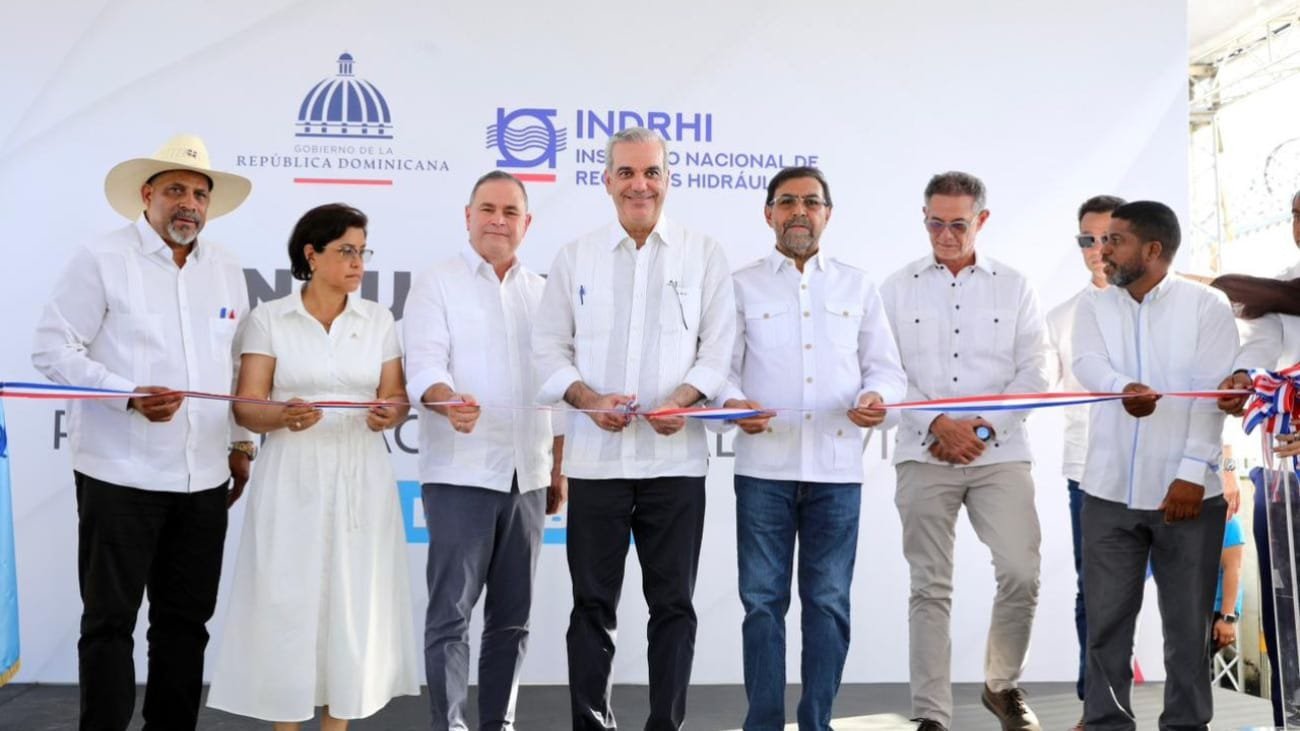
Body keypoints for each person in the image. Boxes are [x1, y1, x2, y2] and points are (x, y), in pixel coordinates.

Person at [31, 133, 253, 731]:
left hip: (203, 478)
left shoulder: (227, 267)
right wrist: (126, 393)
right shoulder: (100, 258)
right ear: (146, 195)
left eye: (200, 194)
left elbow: (236, 365)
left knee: (186, 624)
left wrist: (240, 442)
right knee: (109, 624)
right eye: (176, 190)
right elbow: (52, 349)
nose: (189, 204)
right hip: (118, 474)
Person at [532, 126, 736, 730]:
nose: (639, 184)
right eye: (626, 172)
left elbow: (718, 350)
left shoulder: (704, 254)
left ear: (668, 179)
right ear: (606, 181)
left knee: (673, 607)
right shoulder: (575, 256)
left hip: (676, 466)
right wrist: (587, 399)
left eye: (651, 172)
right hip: (595, 464)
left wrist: (684, 398)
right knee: (591, 607)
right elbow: (548, 348)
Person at [205, 203, 419, 729]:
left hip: (361, 477)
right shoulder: (269, 318)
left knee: (352, 604)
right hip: (292, 475)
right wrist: (281, 416)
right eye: (346, 250)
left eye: (362, 251)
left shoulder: (378, 320)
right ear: (311, 254)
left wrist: (389, 413)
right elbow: (247, 406)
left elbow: (396, 397)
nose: (357, 262)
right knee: (288, 605)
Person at [719, 166, 906, 730]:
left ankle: (817, 722)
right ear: (768, 212)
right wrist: (732, 403)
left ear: (828, 213)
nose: (799, 211)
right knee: (762, 604)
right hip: (763, 470)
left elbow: (887, 372)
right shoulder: (741, 285)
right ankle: (763, 723)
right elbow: (722, 371)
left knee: (827, 603)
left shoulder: (857, 286)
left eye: (811, 202)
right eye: (787, 201)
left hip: (836, 472)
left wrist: (876, 397)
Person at [878, 171, 1049, 731]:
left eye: (958, 224)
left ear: (982, 220)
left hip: (1000, 454)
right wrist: (937, 423)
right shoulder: (896, 288)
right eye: (935, 224)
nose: (945, 236)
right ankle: (931, 715)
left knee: (1021, 572)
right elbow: (884, 371)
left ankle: (1002, 686)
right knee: (930, 586)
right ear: (923, 217)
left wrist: (982, 430)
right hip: (922, 451)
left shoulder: (1015, 286)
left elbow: (1036, 371)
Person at [402, 171, 566, 731]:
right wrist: (445, 399)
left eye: (510, 211)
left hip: (529, 476)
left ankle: (499, 725)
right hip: (461, 473)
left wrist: (558, 467)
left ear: (527, 222)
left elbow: (557, 385)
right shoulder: (437, 284)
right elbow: (424, 365)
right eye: (488, 209)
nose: (499, 220)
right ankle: (449, 725)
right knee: (451, 615)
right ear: (467, 215)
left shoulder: (543, 293)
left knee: (512, 619)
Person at [1072, 200, 1236, 731]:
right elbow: (1087, 363)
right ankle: (1106, 724)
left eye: (1114, 240)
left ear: (1152, 249)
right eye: (1100, 240)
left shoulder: (1207, 306)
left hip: (1187, 496)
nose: (1102, 250)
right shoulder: (1095, 304)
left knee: (1187, 630)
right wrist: (1122, 388)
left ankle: (1186, 725)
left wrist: (1190, 475)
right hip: (1108, 491)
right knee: (1105, 627)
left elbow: (1211, 395)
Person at [1215, 187, 1300, 728]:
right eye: (1296, 215)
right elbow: (1260, 345)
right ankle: (1290, 715)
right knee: (1284, 599)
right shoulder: (1279, 288)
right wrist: (1244, 375)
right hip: (1283, 473)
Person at [1044, 194, 1124, 729]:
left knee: (1175, 592)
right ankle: (1096, 708)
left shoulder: (1168, 306)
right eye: (1086, 239)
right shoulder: (1061, 318)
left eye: (1108, 238)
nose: (1097, 249)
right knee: (1094, 592)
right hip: (1089, 474)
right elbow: (1033, 386)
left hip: (1163, 472)